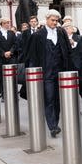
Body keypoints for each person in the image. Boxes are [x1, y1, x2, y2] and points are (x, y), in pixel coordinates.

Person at [27, 10, 72, 138]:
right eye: (52, 20)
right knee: (49, 98)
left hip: (60, 71)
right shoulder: (38, 35)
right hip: (46, 72)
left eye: (56, 21)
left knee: (58, 100)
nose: (54, 23)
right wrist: (34, 72)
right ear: (47, 20)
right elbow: (33, 55)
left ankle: (55, 123)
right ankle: (52, 126)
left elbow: (68, 50)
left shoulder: (61, 32)